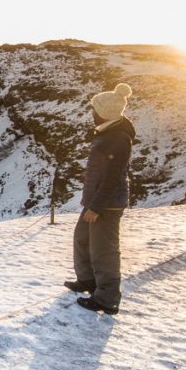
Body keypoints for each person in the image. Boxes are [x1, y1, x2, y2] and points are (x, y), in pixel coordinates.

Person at [65, 83, 135, 315]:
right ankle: (87, 281)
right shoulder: (107, 131)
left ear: (104, 112)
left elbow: (112, 178)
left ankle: (107, 298)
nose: (92, 113)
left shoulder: (118, 138)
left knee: (104, 250)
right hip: (95, 200)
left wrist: (96, 207)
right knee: (82, 239)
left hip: (106, 204)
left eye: (95, 109)